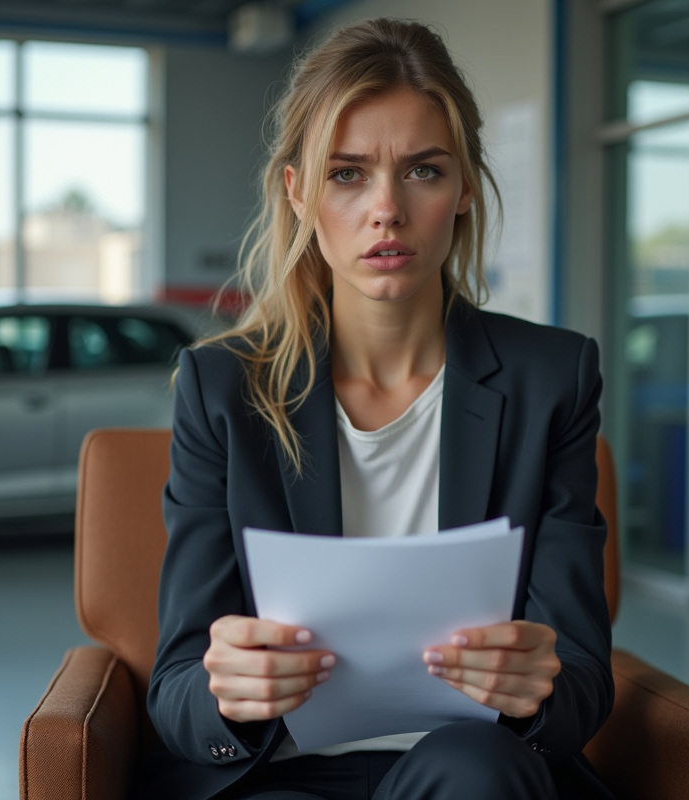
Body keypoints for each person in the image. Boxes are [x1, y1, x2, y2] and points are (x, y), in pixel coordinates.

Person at [146, 19, 613, 800]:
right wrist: (228, 693)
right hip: (278, 775)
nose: (386, 210)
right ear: (298, 192)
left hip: (470, 765)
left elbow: (584, 681)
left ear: (464, 187)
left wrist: (539, 687)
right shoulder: (222, 388)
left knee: (478, 775)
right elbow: (176, 691)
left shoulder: (553, 378)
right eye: (348, 174)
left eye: (423, 171)